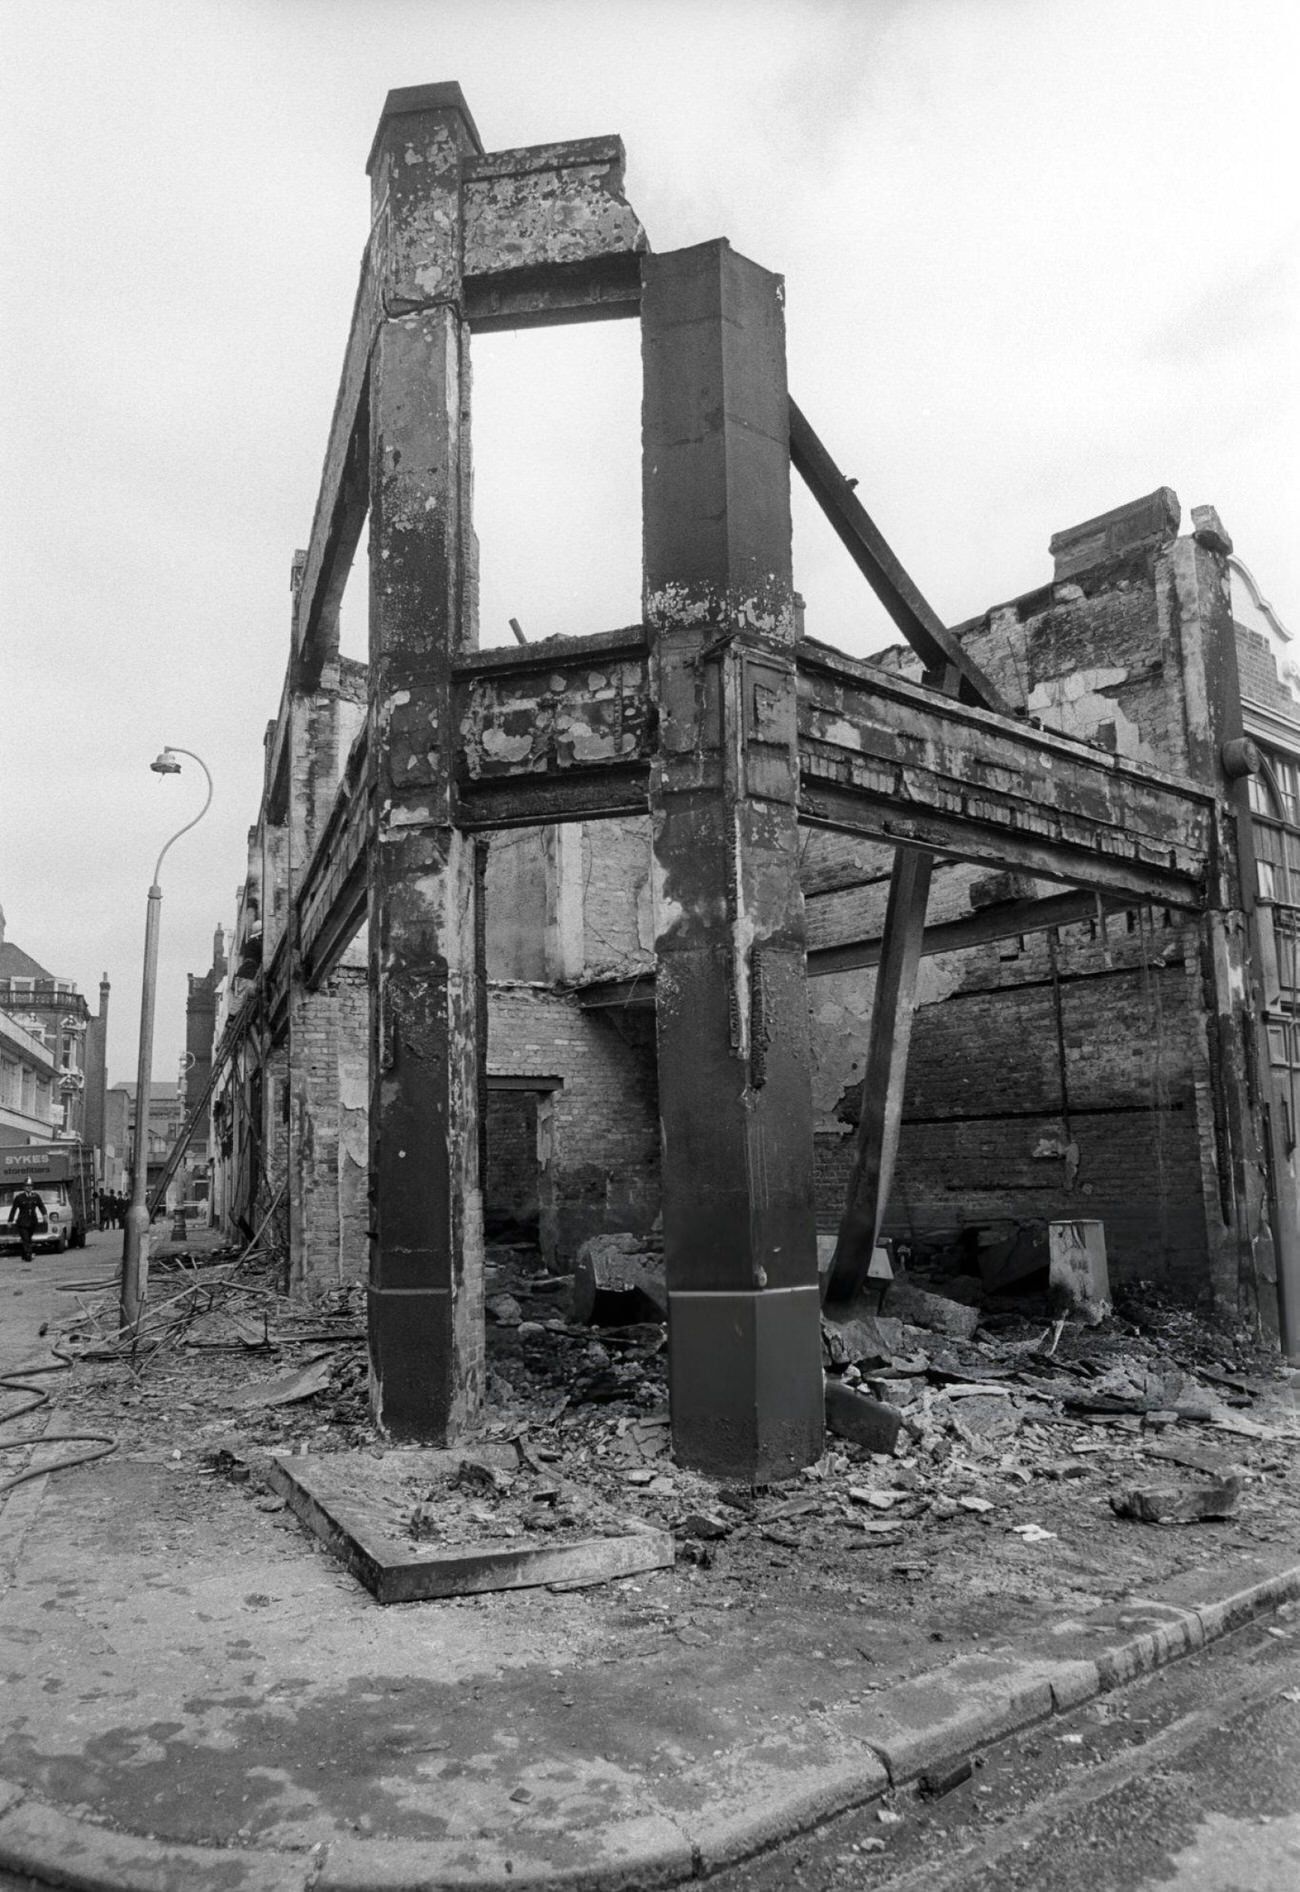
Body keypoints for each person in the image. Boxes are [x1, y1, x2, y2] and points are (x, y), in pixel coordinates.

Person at [7, 1179, 48, 1262]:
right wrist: (10, 1220)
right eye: (27, 1186)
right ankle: (29, 1254)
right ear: (24, 1187)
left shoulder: (36, 1196)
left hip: (32, 1221)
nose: (29, 1188)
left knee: (28, 1238)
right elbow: (13, 1209)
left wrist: (44, 1214)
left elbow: (41, 1206)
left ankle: (24, 1254)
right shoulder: (19, 1197)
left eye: (30, 1186)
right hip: (22, 1222)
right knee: (25, 1238)